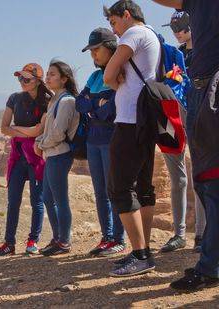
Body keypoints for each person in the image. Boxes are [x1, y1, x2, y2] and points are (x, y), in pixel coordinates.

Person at [152, 0, 219, 292]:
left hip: (214, 85)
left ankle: (209, 266)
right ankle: (211, 264)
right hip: (198, 90)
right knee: (206, 182)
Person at [103, 0, 161, 277]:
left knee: (120, 187)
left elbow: (108, 75)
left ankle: (139, 255)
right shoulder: (151, 34)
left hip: (129, 121)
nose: (114, 31)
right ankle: (144, 250)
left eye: (114, 23)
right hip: (145, 121)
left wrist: (116, 81)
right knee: (143, 187)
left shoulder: (133, 34)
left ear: (126, 15)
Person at [76, 28, 126, 257]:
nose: (93, 54)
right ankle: (106, 237)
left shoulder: (120, 72)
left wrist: (94, 104)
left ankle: (119, 238)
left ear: (110, 47)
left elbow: (110, 110)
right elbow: (80, 104)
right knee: (99, 191)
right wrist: (98, 103)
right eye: (91, 51)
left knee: (114, 189)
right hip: (93, 140)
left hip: (112, 138)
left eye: (97, 49)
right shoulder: (95, 77)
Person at [0, 63, 49, 257]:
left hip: (37, 156)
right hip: (18, 156)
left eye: (26, 79)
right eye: (20, 79)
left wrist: (18, 131)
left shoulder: (47, 101)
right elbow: (4, 128)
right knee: (13, 201)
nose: (22, 82)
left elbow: (39, 131)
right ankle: (9, 243)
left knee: (37, 201)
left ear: (38, 81)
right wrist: (29, 132)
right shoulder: (14, 99)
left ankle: (33, 240)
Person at [162, 10, 206, 253]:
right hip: (172, 115)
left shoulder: (206, 52)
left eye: (182, 27)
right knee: (177, 177)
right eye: (174, 28)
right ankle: (179, 233)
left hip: (199, 115)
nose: (177, 32)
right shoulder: (171, 55)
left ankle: (201, 233)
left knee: (201, 174)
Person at [34, 60, 79, 256]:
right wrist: (40, 141)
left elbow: (58, 133)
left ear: (64, 79)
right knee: (48, 197)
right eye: (48, 74)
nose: (48, 77)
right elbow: (49, 130)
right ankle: (58, 237)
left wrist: (41, 144)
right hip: (52, 154)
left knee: (60, 200)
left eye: (53, 74)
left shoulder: (67, 101)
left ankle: (64, 241)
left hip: (60, 154)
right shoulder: (55, 99)